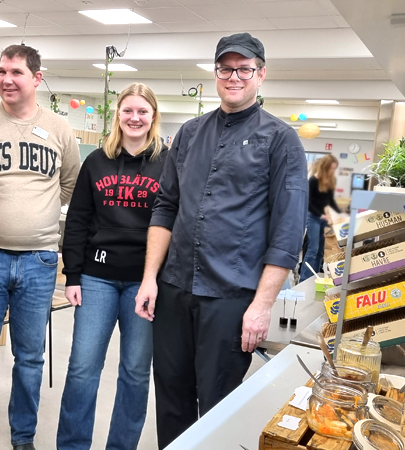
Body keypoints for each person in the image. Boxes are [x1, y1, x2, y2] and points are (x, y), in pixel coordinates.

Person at [134, 32, 308, 448]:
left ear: (260, 74)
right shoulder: (189, 134)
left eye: (244, 69)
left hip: (231, 297)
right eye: (226, 68)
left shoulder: (281, 140)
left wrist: (262, 306)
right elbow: (165, 208)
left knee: (217, 404)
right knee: (172, 398)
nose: (235, 77)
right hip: (175, 290)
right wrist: (149, 279)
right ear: (216, 73)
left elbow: (287, 232)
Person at [0, 44, 80, 450]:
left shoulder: (60, 128)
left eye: (16, 73)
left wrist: (35, 213)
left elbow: (70, 185)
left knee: (30, 359)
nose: (7, 79)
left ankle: (23, 438)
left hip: (40, 261)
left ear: (36, 79)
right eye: (1, 71)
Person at [56, 83, 167, 450]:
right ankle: (72, 445)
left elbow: (172, 223)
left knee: (135, 374)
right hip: (96, 278)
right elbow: (78, 220)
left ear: (153, 117)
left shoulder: (167, 163)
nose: (135, 118)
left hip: (144, 283)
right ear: (117, 115)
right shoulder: (96, 161)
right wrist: (72, 275)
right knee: (83, 369)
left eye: (142, 112)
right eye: (128, 111)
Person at [299, 154, 341, 282]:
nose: (332, 171)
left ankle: (314, 277)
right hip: (313, 217)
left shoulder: (330, 182)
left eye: (334, 169)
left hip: (324, 219)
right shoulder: (312, 181)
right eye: (331, 168)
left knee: (320, 252)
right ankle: (305, 279)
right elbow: (309, 203)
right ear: (325, 167)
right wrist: (321, 214)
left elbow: (330, 201)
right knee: (313, 249)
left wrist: (339, 214)